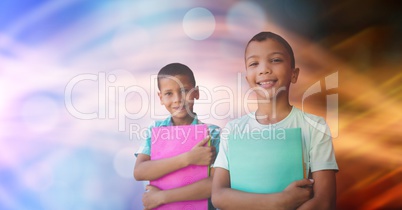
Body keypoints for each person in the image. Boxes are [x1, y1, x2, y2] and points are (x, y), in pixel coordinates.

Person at [212, 32, 338, 210]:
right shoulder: (233, 129)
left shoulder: (315, 127)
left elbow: (324, 202)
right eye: (254, 63)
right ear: (248, 79)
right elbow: (219, 196)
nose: (264, 69)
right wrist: (280, 202)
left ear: (294, 74)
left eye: (276, 60)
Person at [134, 63, 220, 210]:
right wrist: (189, 158)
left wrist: (161, 197)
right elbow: (139, 172)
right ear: (160, 97)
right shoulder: (155, 130)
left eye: (185, 91)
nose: (177, 99)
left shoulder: (212, 133)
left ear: (196, 93)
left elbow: (216, 184)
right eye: (169, 93)